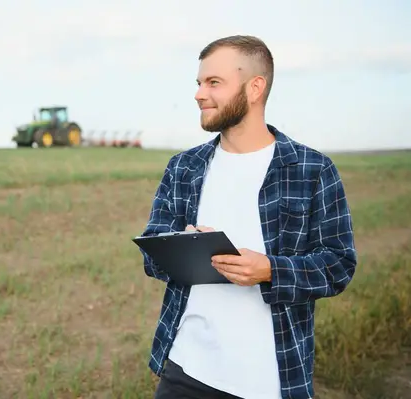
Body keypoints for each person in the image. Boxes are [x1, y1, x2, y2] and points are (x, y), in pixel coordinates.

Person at [139, 35, 357, 399]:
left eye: (213, 83)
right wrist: (184, 247)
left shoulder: (312, 170)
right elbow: (152, 253)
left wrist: (270, 270)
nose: (198, 94)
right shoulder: (184, 167)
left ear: (255, 88)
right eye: (198, 83)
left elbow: (339, 265)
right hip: (184, 369)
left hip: (269, 378)